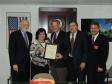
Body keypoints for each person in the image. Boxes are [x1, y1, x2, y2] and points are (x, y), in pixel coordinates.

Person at [8, 19, 32, 84]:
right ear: (20, 25)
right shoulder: (14, 35)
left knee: (26, 81)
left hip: (27, 64)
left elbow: (28, 49)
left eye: (27, 25)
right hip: (17, 64)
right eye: (24, 24)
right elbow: (11, 50)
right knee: (16, 81)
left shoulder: (30, 35)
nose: (26, 26)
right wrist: (13, 63)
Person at [50, 19, 69, 84]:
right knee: (54, 82)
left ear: (59, 26)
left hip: (61, 64)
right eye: (53, 26)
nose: (54, 27)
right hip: (53, 64)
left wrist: (62, 55)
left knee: (61, 82)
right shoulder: (52, 35)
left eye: (56, 25)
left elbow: (68, 48)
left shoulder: (65, 35)